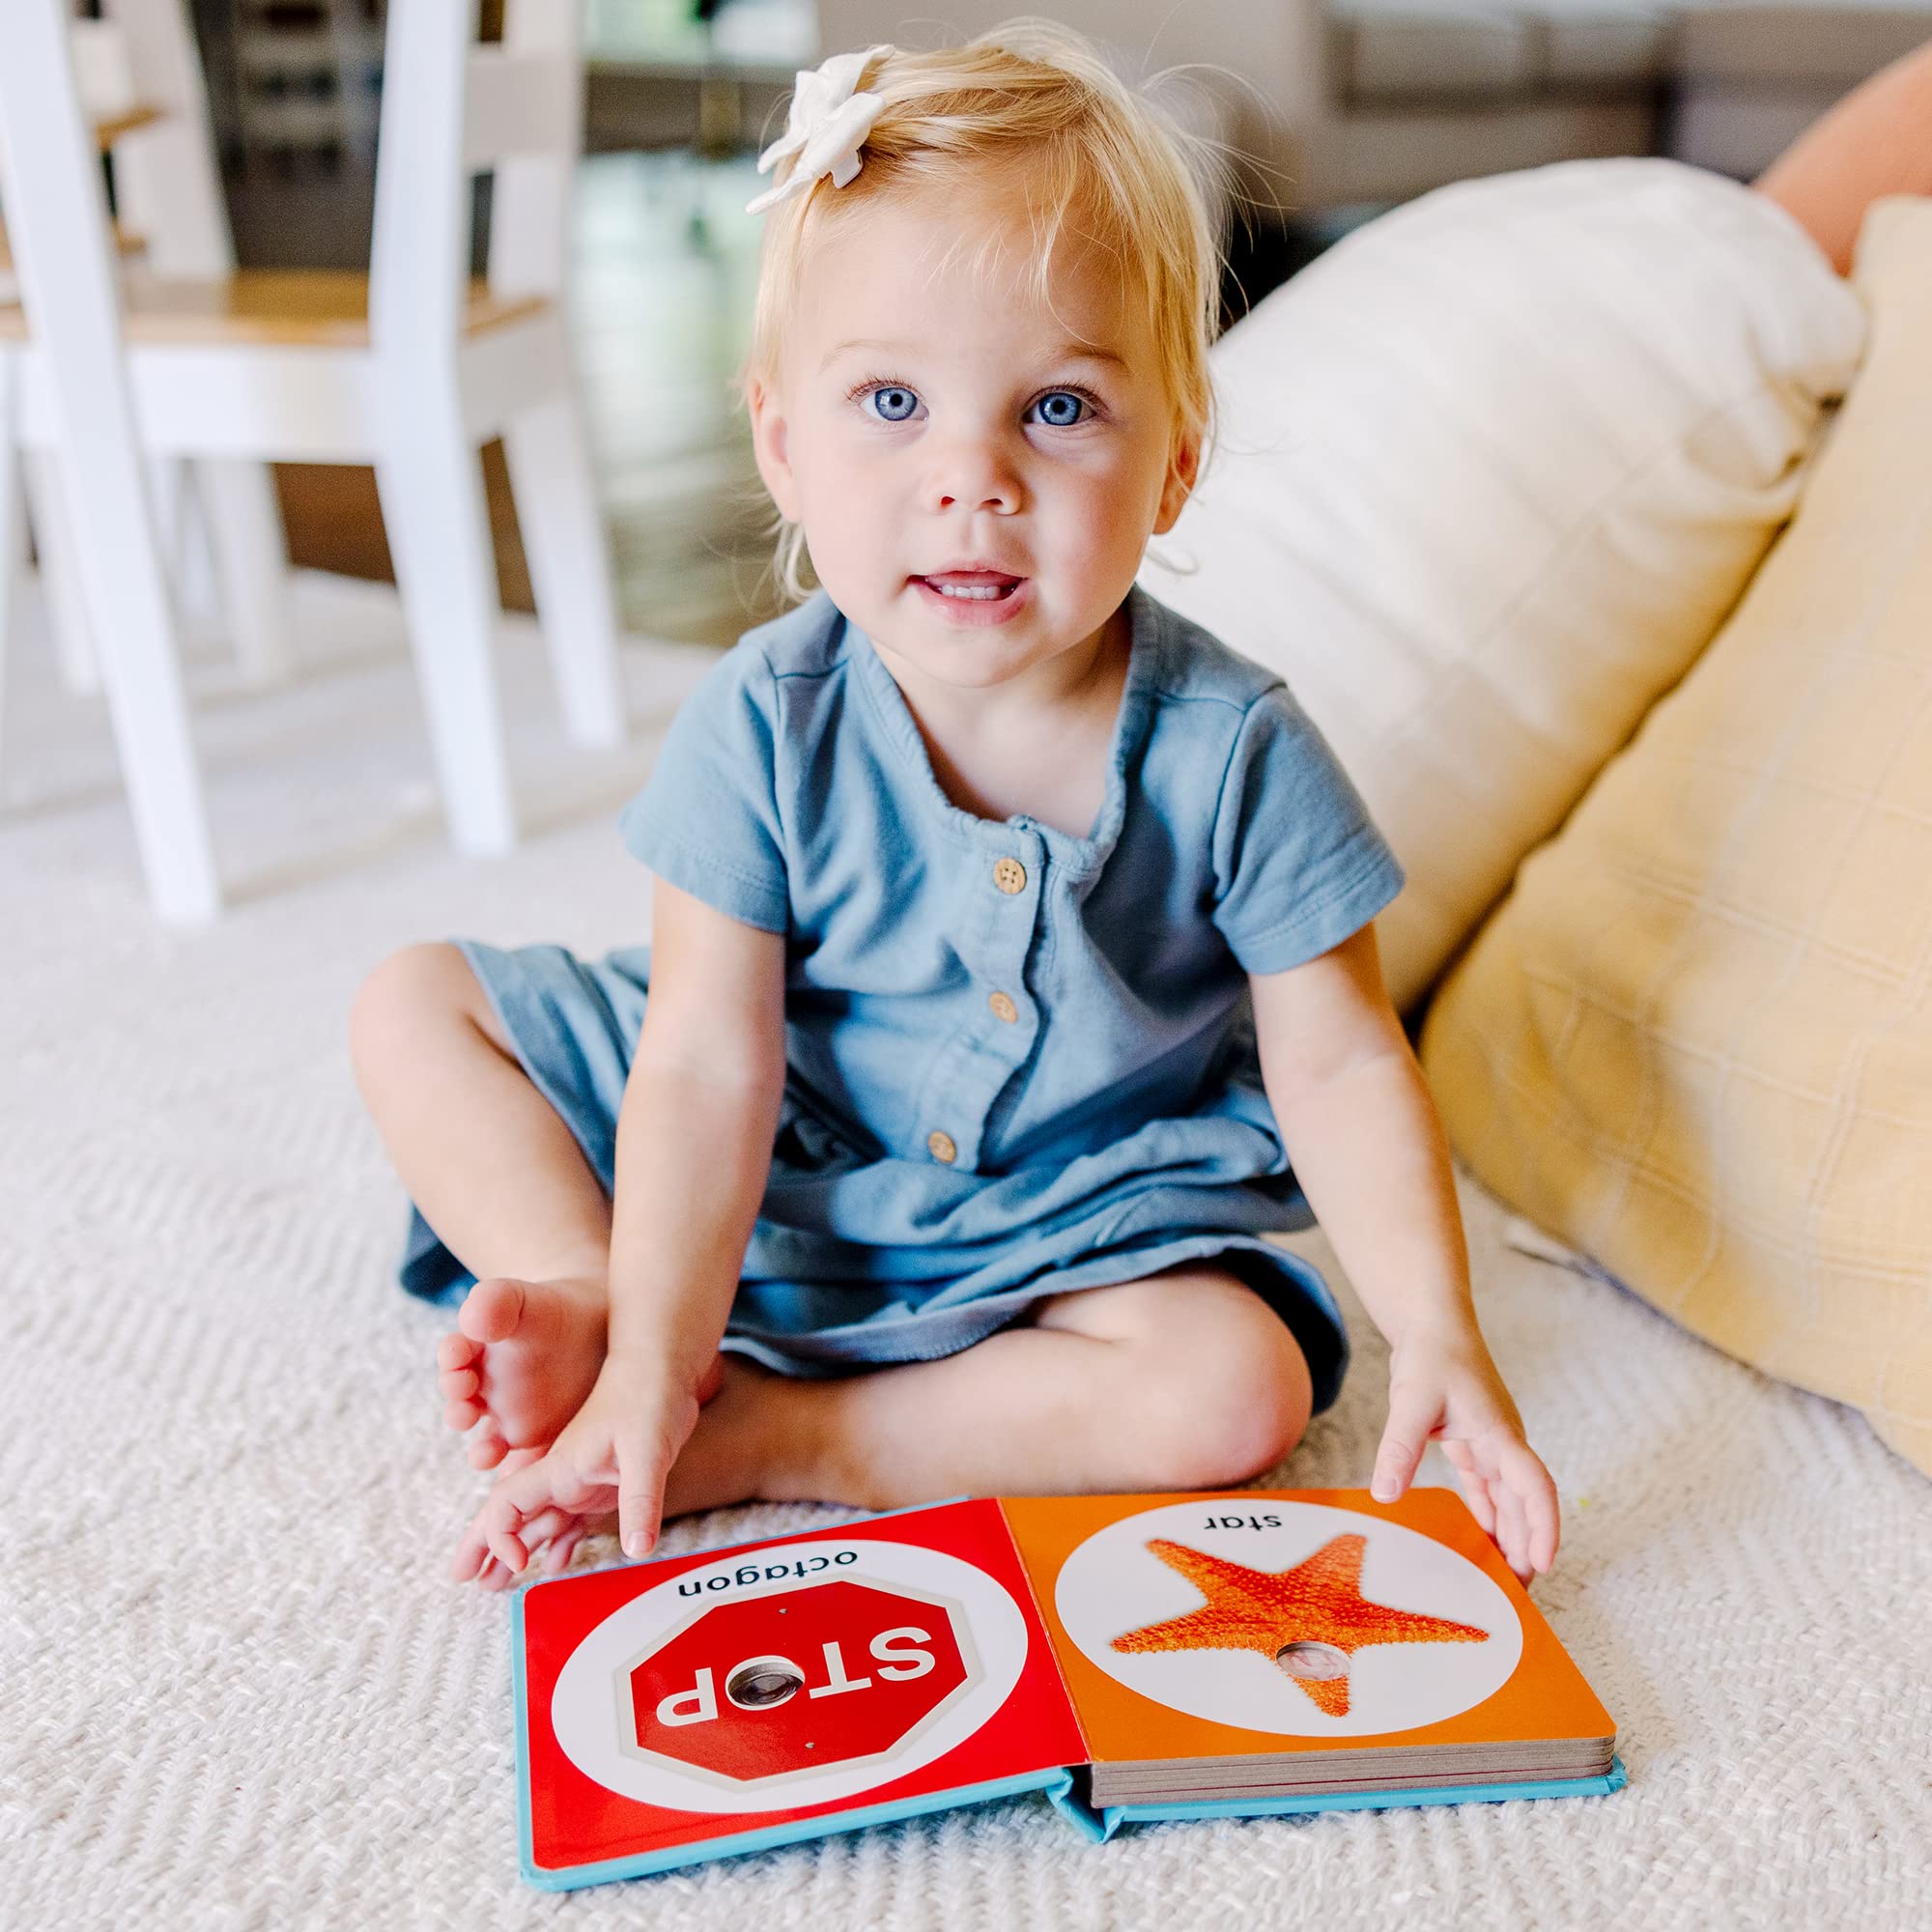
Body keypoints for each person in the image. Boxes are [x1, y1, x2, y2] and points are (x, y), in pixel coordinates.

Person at [350, 25, 1560, 1592]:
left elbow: (1336, 1057)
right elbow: (708, 1061)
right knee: (415, 1001)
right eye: (892, 403)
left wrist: (1438, 1328)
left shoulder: (1237, 749)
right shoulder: (763, 723)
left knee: (1238, 1385)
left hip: (1069, 1219)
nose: (971, 476)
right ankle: (599, 1309)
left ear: (1175, 462)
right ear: (783, 446)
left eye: (1058, 410)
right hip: (760, 1151)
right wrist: (654, 1337)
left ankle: (785, 1436)